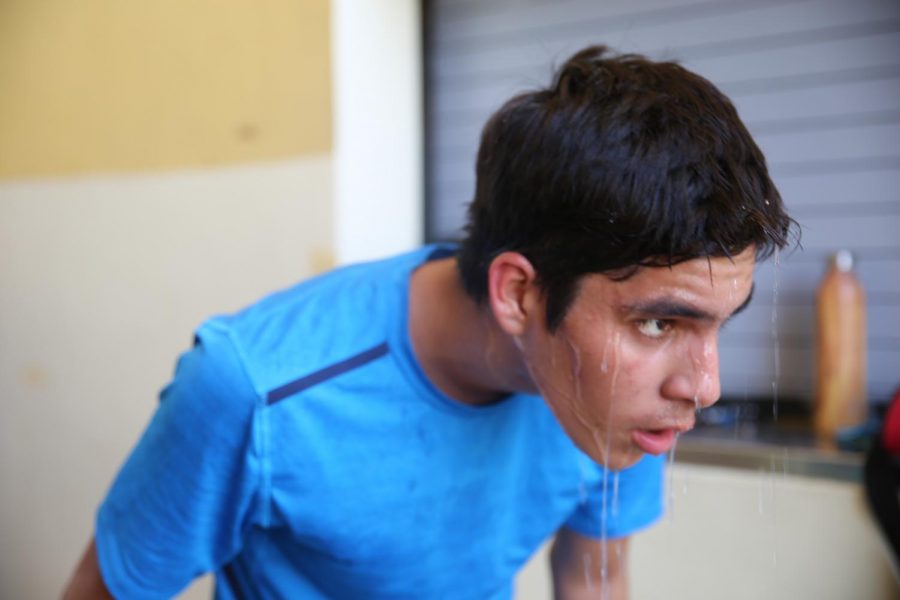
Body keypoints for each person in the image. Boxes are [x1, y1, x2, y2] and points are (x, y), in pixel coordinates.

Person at [64, 45, 794, 599]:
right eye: (662, 325)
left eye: (719, 325)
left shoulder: (619, 405)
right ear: (518, 295)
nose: (703, 389)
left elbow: (594, 580)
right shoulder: (253, 391)